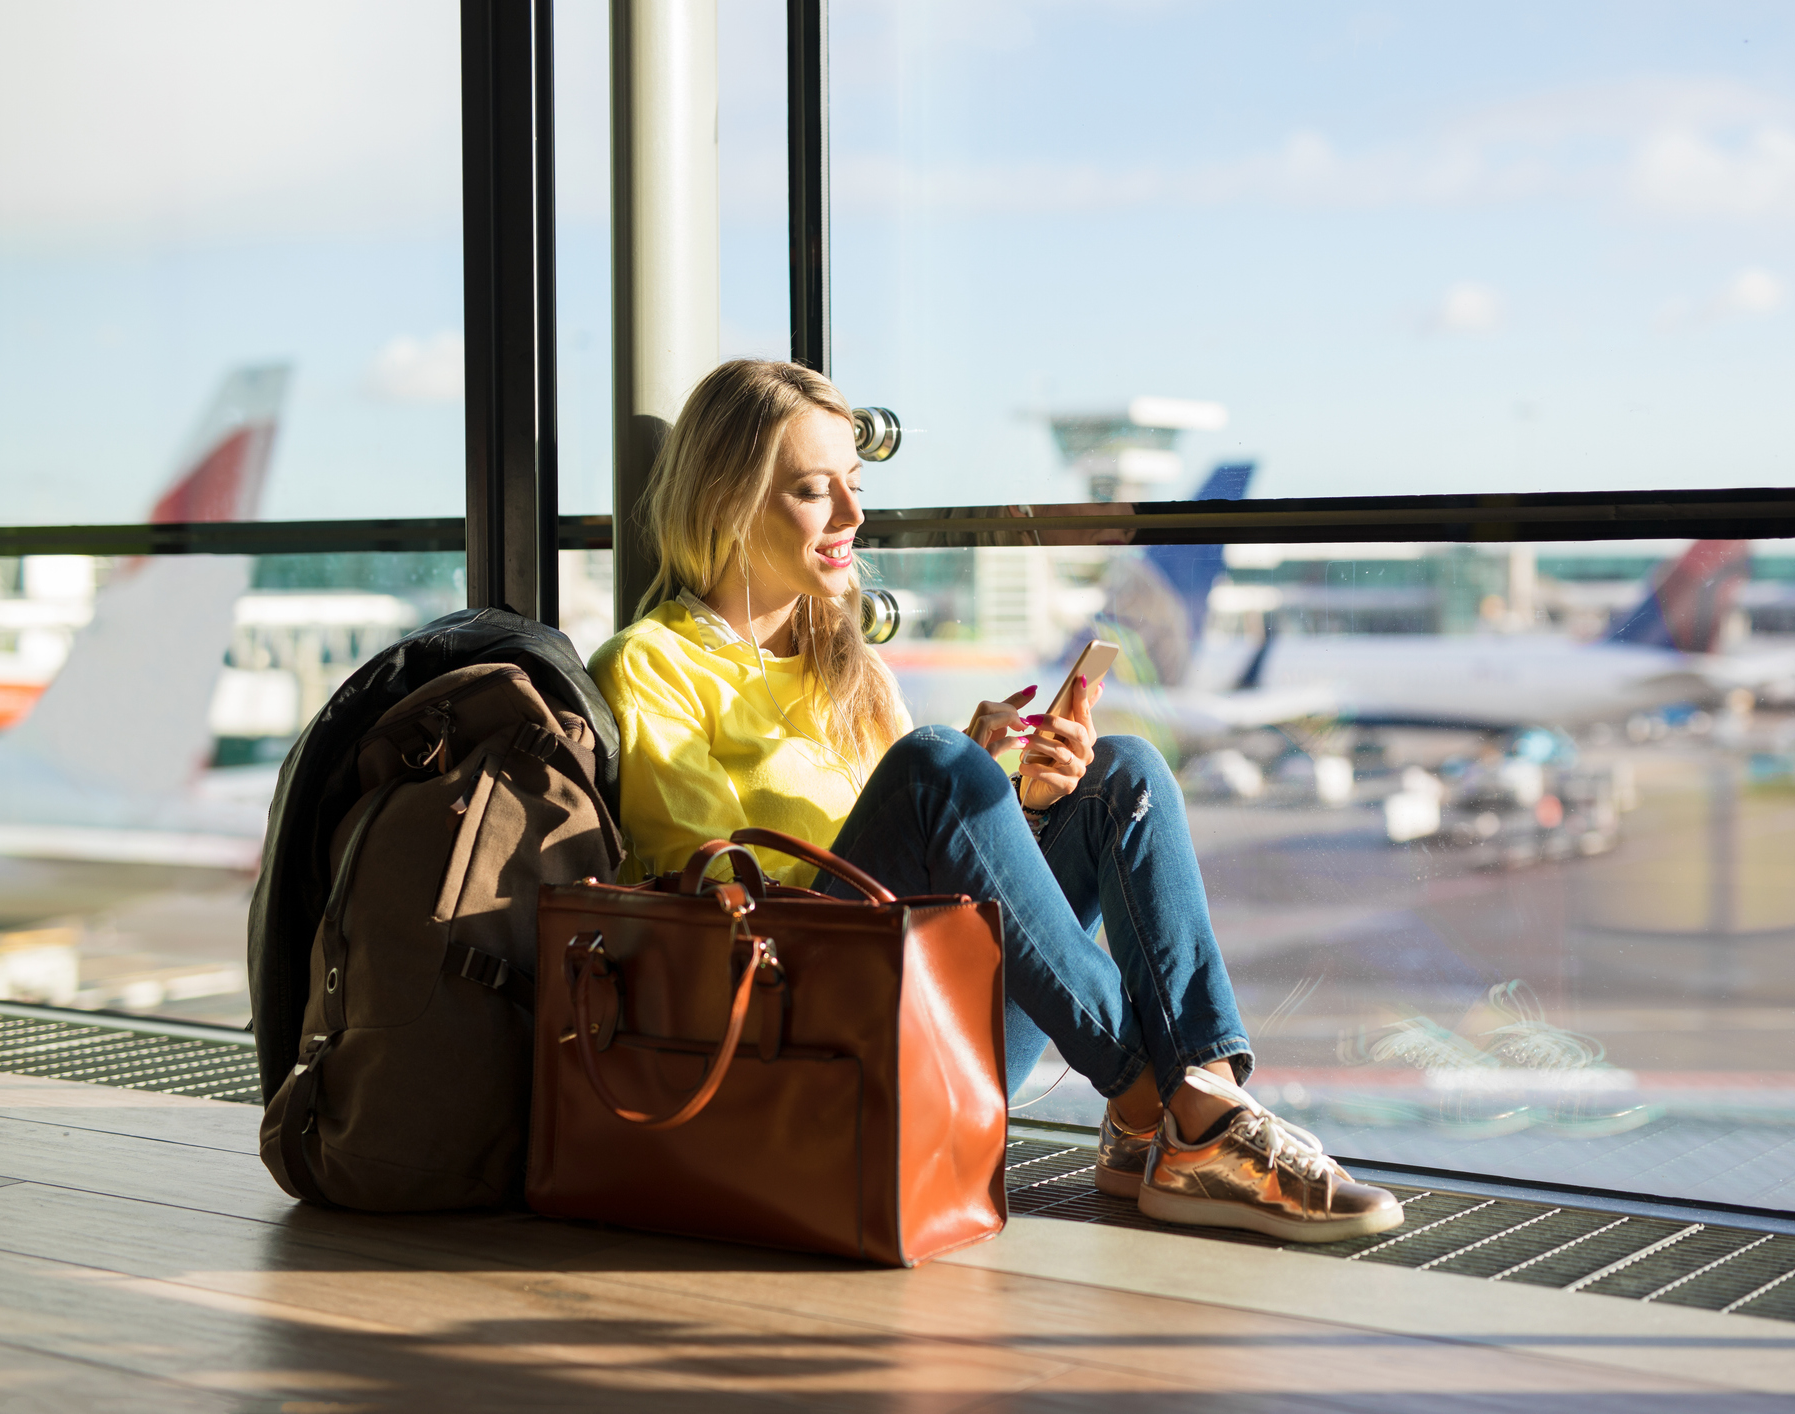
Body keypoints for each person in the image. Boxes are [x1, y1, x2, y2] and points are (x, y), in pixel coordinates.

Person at [589, 358, 1400, 1243]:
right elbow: (712, 913)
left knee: (1120, 774)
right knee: (936, 762)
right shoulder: (651, 664)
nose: (853, 518)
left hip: (915, 1005)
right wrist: (942, 787)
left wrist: (1012, 807)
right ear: (728, 498)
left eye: (854, 487)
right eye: (814, 491)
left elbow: (918, 881)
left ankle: (1164, 1120)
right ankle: (1169, 1109)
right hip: (802, 1038)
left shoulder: (847, 668)